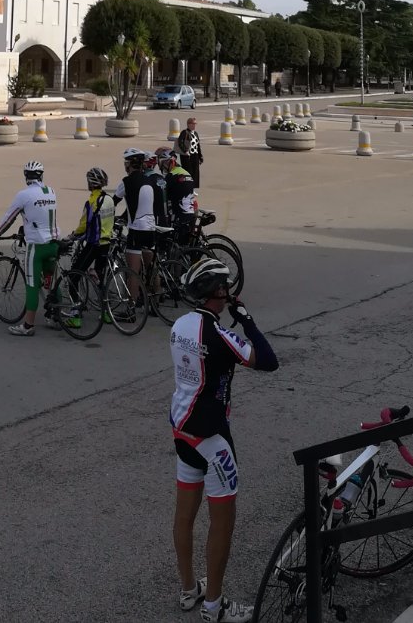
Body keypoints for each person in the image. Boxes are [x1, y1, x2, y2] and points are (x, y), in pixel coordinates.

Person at [170, 257, 279, 622]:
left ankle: (189, 591)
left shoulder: (180, 324)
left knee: (184, 516)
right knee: (223, 523)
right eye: (226, 287)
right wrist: (245, 317)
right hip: (212, 438)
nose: (229, 291)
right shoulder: (218, 335)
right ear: (218, 292)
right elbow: (267, 359)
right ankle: (214, 607)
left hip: (182, 430)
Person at [0, 160, 59, 337]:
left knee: (32, 284)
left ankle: (28, 325)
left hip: (36, 245)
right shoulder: (51, 191)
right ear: (41, 175)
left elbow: (9, 218)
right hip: (54, 242)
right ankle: (55, 317)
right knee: (51, 281)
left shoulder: (24, 195)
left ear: (26, 177)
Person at [115, 147, 157, 306]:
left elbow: (112, 202)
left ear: (129, 165)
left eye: (126, 163)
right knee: (151, 269)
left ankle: (130, 309)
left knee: (133, 272)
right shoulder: (149, 181)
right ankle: (155, 302)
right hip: (151, 229)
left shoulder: (126, 182)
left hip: (136, 230)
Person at [160, 147, 199, 246]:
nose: (162, 166)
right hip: (191, 213)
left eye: (163, 163)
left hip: (180, 217)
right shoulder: (185, 172)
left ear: (170, 162)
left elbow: (162, 197)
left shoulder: (171, 176)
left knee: (175, 247)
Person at [177, 116, 203, 190]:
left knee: (195, 173)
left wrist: (200, 156)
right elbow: (180, 142)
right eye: (193, 124)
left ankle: (192, 188)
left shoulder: (196, 134)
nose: (194, 125)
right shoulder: (184, 132)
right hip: (187, 156)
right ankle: (187, 188)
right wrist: (185, 150)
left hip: (195, 155)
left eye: (195, 124)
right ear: (188, 124)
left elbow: (198, 145)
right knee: (188, 172)